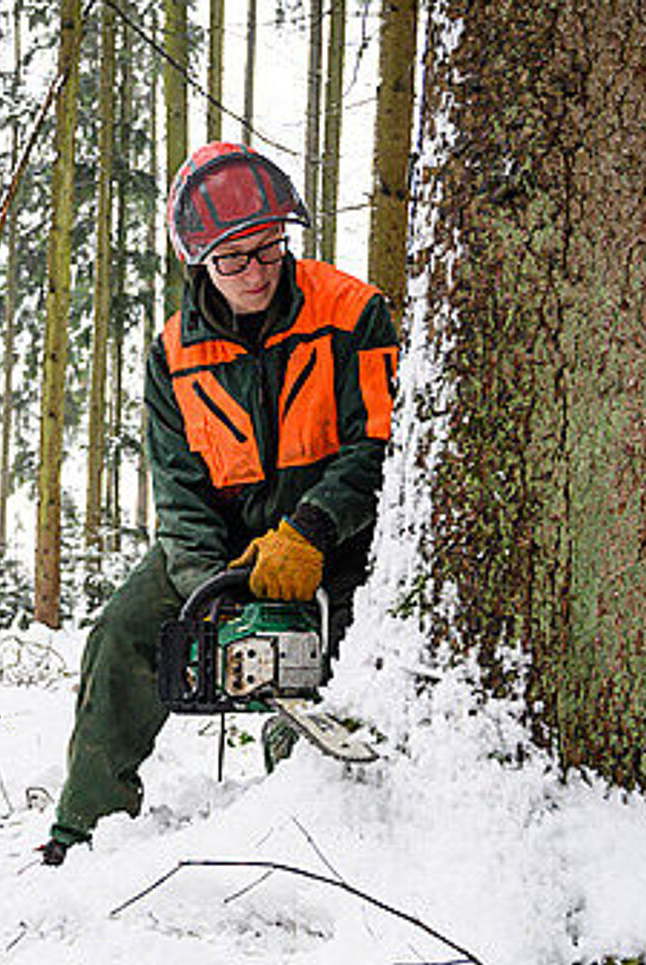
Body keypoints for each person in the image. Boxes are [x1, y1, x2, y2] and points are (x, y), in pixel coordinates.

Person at [40, 142, 399, 866]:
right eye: (233, 260)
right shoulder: (172, 354)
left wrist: (312, 530)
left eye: (268, 249)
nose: (256, 272)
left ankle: (315, 838)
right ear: (198, 260)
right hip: (226, 546)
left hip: (340, 540)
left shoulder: (354, 313)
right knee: (122, 635)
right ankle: (84, 831)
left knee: (321, 681)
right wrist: (212, 589)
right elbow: (178, 488)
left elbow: (380, 445)